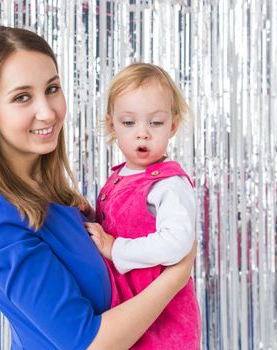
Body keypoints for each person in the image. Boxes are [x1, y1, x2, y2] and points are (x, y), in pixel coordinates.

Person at [0, 26, 196, 350]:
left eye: (51, 89)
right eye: (22, 97)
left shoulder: (59, 200)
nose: (47, 111)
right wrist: (175, 278)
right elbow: (86, 343)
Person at [85, 63, 201, 349]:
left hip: (162, 318)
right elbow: (119, 222)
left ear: (172, 125)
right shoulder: (119, 176)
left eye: (156, 123)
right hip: (127, 310)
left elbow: (177, 243)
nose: (143, 133)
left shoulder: (169, 184)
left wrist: (116, 249)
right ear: (112, 125)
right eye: (129, 123)